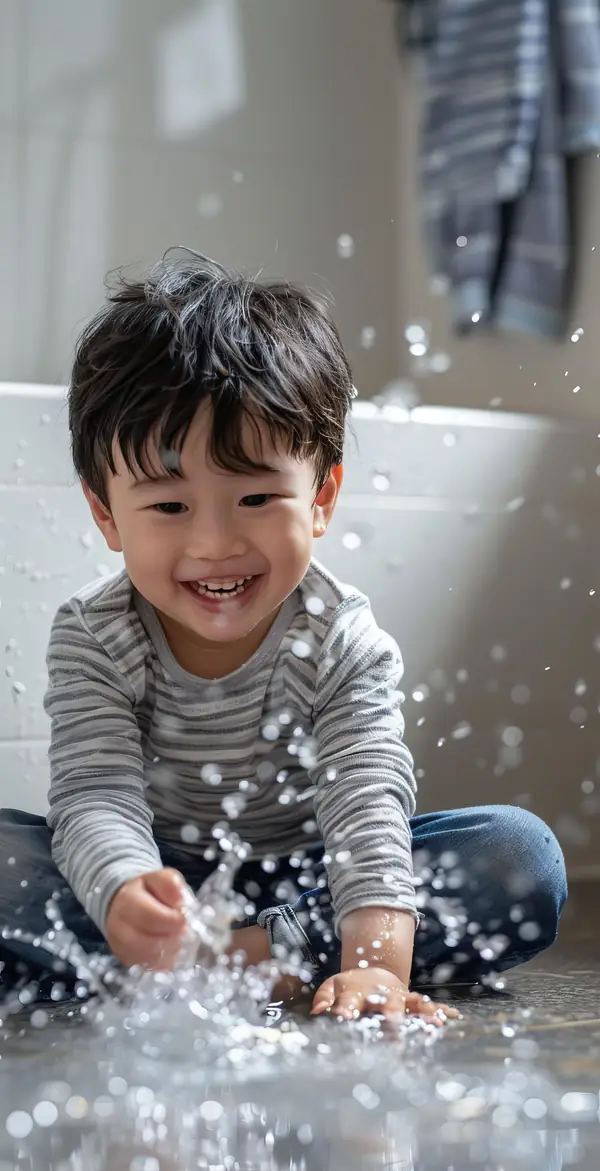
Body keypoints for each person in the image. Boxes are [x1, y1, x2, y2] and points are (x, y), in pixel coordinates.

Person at [0, 253, 567, 1018]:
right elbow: (95, 795)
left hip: (314, 883)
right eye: (169, 507)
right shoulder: (96, 636)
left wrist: (374, 966)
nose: (215, 543)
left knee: (516, 857)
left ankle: (237, 958)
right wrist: (127, 896)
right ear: (106, 514)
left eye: (258, 497)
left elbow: (367, 805)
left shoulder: (340, 638)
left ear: (322, 496)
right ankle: (167, 959)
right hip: (160, 881)